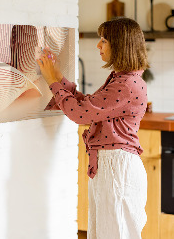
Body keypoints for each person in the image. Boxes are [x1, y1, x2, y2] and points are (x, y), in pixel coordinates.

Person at [37, 17, 149, 239]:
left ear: (120, 45)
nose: (98, 45)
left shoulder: (126, 84)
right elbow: (88, 106)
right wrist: (58, 76)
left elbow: (80, 114)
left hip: (117, 168)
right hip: (112, 166)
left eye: (104, 40)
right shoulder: (122, 79)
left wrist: (52, 81)